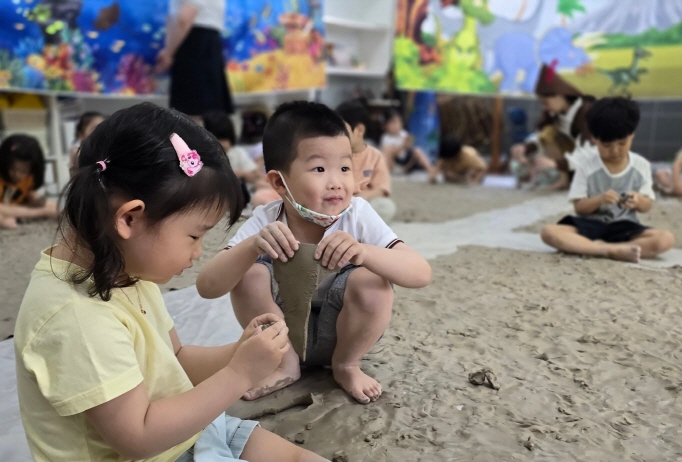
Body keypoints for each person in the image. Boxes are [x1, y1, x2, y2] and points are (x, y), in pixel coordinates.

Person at [14, 103, 328, 462]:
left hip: (186, 430)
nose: (197, 254)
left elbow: (176, 358)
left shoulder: (124, 269)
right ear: (130, 218)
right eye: (195, 236)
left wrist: (241, 350)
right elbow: (138, 438)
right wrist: (241, 374)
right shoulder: (75, 318)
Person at [196, 101, 431, 404]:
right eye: (319, 168)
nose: (337, 182)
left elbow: (420, 273)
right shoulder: (267, 218)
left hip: (345, 337)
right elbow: (207, 286)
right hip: (283, 338)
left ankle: (346, 366)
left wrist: (364, 252)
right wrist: (252, 246)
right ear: (279, 182)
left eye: (345, 168)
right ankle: (285, 365)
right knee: (248, 273)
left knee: (373, 281)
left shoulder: (357, 213)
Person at [541, 97, 674, 263]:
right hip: (591, 226)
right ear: (594, 139)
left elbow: (647, 205)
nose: (615, 150)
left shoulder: (641, 165)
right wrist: (600, 199)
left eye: (622, 143)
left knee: (665, 239)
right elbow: (579, 208)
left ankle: (598, 247)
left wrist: (638, 201)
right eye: (606, 145)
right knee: (549, 232)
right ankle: (607, 250)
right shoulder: (586, 166)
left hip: (625, 227)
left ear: (632, 135)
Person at [512, 63, 596, 190]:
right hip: (569, 163)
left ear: (560, 95)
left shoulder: (586, 112)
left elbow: (589, 151)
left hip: (595, 165)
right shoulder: (552, 113)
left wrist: (556, 164)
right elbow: (541, 136)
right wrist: (525, 148)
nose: (545, 107)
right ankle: (563, 178)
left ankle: (568, 179)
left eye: (546, 102)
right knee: (549, 132)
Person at [156, 0, 233, 117]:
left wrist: (169, 53)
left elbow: (184, 19)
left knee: (193, 112)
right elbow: (174, 18)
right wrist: (168, 50)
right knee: (205, 112)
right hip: (199, 43)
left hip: (196, 45)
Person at [336, 100, 396, 223]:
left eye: (341, 129)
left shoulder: (375, 156)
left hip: (364, 203)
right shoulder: (332, 154)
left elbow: (381, 189)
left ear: (359, 130)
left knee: (386, 206)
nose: (336, 134)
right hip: (337, 202)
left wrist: (362, 197)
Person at [203, 110, 279, 207]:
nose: (222, 144)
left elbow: (254, 175)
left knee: (262, 185)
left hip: (246, 193)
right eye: (217, 139)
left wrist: (245, 173)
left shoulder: (237, 152)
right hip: (222, 196)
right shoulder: (205, 157)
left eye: (225, 138)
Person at [0, 134, 58, 229]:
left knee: (53, 206)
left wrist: (36, 199)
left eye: (23, 171)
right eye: (12, 169)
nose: (17, 174)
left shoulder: (29, 178)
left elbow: (27, 193)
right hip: (4, 209)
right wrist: (41, 212)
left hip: (15, 207)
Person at [380, 108, 437, 182]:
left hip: (406, 163)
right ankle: (384, 173)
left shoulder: (403, 134)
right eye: (392, 123)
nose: (396, 126)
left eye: (398, 122)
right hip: (394, 163)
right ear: (385, 126)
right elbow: (393, 153)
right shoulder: (386, 137)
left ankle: (431, 170)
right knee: (387, 149)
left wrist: (409, 143)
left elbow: (410, 149)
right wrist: (403, 145)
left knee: (418, 150)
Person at [69, 111, 105, 176]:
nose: (101, 132)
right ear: (81, 135)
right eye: (95, 128)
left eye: (104, 128)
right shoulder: (77, 152)